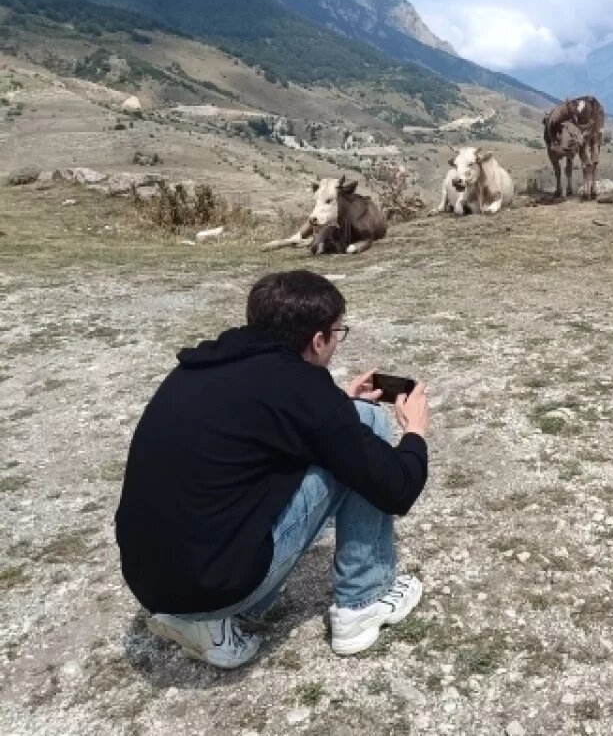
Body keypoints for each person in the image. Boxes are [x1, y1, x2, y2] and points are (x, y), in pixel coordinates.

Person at [115, 269, 430, 668]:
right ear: (318, 340)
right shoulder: (300, 388)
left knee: (342, 428)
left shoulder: (200, 367)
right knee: (365, 421)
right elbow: (397, 488)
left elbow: (273, 417)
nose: (336, 342)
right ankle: (363, 601)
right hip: (216, 585)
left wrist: (334, 405)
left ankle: (206, 624)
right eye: (338, 332)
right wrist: (415, 432)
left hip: (152, 583)